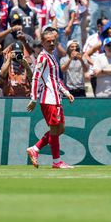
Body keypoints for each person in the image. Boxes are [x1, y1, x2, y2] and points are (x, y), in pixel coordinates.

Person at [26, 27, 75, 169]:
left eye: (53, 41)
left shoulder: (52, 56)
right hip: (48, 98)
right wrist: (33, 98)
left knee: (61, 129)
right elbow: (35, 77)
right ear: (42, 43)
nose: (52, 44)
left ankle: (35, 148)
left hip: (56, 98)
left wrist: (66, 92)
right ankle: (56, 161)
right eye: (48, 41)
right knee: (54, 130)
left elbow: (55, 79)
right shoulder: (42, 57)